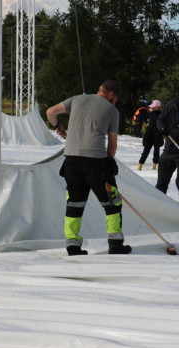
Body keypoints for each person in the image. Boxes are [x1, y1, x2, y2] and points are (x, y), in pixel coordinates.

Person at [46, 80, 131, 256]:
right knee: (112, 203)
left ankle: (72, 246)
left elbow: (50, 112)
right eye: (116, 100)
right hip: (96, 163)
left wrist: (57, 126)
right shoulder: (112, 111)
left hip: (71, 162)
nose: (115, 103)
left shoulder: (76, 99)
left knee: (74, 204)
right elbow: (112, 144)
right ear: (111, 94)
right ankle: (115, 244)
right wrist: (110, 161)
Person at [137, 99, 163, 170]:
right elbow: (145, 118)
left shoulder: (160, 113)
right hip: (150, 134)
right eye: (152, 107)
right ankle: (140, 165)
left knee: (156, 150)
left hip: (156, 134)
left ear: (157, 107)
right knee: (147, 150)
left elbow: (157, 119)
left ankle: (154, 165)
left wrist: (152, 112)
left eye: (153, 107)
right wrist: (147, 123)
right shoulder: (151, 113)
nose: (151, 108)